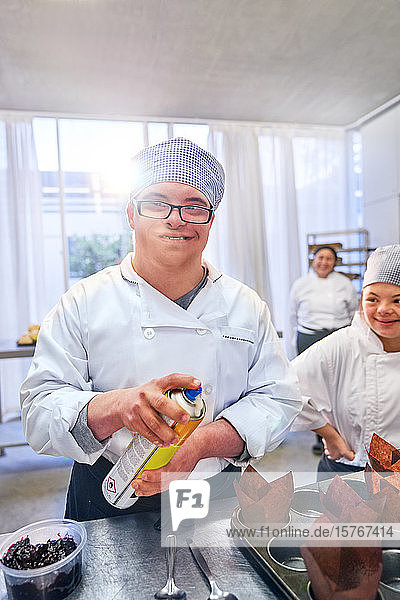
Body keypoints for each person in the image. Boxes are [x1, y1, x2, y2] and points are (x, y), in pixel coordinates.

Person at [20, 137, 302, 521]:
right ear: (132, 214)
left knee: (214, 578)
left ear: (211, 221)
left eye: (194, 206)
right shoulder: (85, 301)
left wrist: (200, 443)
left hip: (210, 484)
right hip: (111, 488)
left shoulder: (245, 305)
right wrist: (117, 406)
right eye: (157, 203)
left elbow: (278, 399)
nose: (177, 218)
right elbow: (39, 409)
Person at [291, 244, 400, 479]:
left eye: (397, 300)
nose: (384, 310)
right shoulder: (342, 344)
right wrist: (328, 434)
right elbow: (284, 387)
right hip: (348, 471)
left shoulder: (341, 284)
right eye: (372, 299)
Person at [289, 245, 358, 455]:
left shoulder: (344, 284)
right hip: (308, 336)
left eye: (329, 259)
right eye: (320, 258)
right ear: (313, 260)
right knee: (312, 388)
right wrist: (294, 342)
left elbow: (354, 312)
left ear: (335, 262)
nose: (324, 262)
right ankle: (321, 436)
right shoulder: (301, 284)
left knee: (338, 388)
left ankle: (341, 432)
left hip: (338, 337)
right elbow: (292, 315)